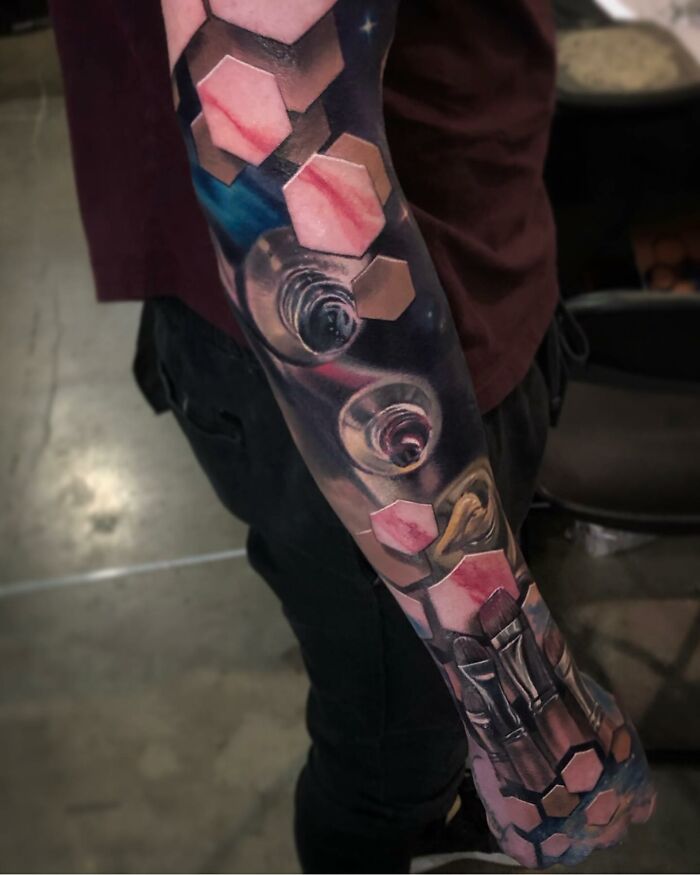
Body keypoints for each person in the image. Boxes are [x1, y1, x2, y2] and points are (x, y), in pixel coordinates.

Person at [50, 1, 655, 871]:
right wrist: (529, 718)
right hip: (380, 376)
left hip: (463, 244)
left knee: (406, 743)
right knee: (388, 769)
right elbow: (275, 164)